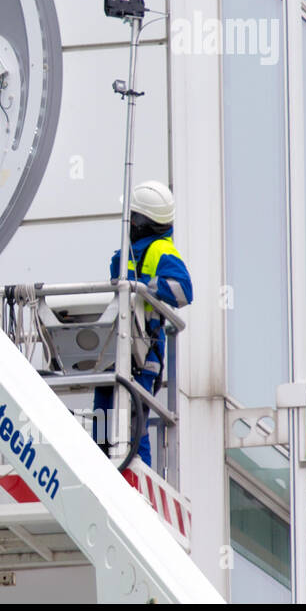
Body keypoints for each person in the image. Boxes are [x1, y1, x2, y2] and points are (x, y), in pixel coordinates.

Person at [95, 181, 193, 467]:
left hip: (144, 351)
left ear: (144, 221)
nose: (131, 222)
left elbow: (183, 291)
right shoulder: (126, 254)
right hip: (117, 347)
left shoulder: (161, 252)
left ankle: (140, 475)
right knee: (103, 404)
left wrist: (145, 286)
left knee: (134, 418)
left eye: (134, 217)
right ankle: (99, 457)